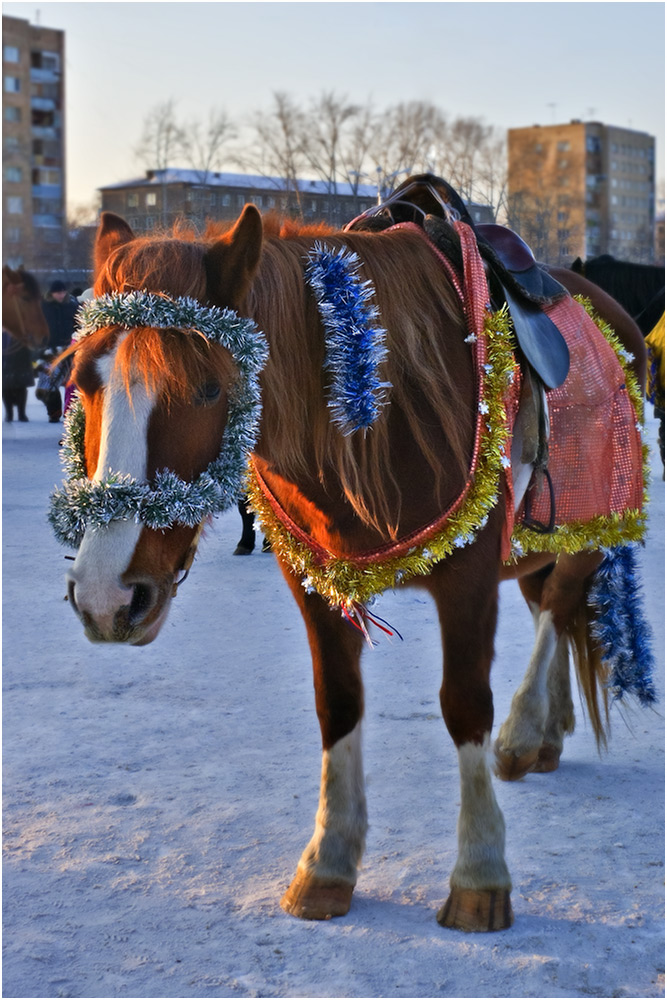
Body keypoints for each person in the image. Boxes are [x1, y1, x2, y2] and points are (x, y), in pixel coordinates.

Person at [38, 280, 80, 421]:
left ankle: (73, 413)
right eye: (58, 292)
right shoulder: (43, 306)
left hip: (70, 348)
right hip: (49, 348)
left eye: (63, 292)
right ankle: (54, 412)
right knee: (49, 383)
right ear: (51, 293)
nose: (61, 295)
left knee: (72, 382)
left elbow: (79, 323)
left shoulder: (72, 305)